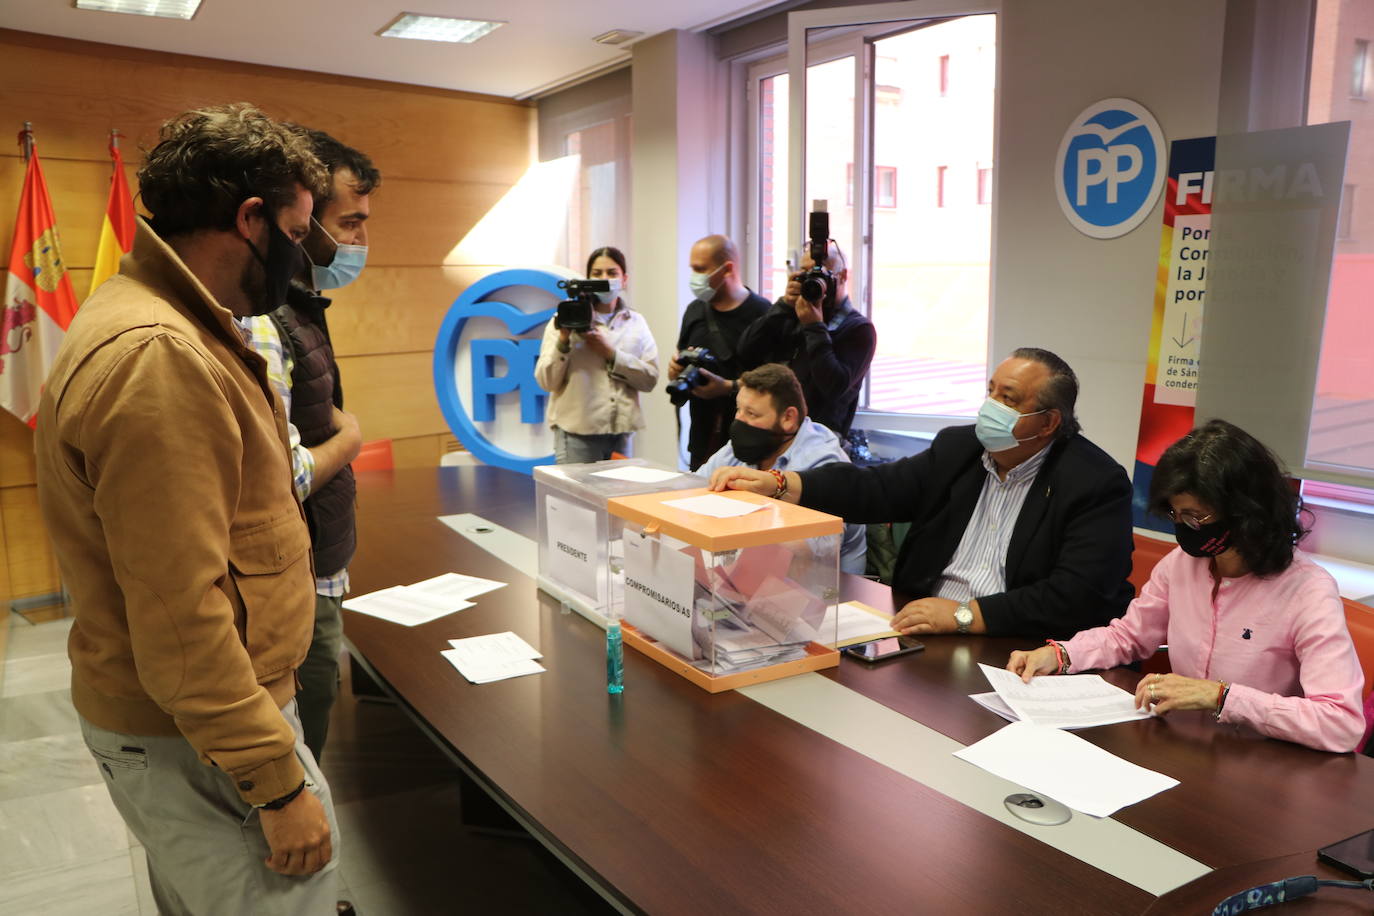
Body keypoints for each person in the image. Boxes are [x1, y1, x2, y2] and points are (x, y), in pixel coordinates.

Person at [34, 104, 339, 913]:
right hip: (202, 739)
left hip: (189, 728)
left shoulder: (167, 322)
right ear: (249, 219)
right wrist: (276, 787)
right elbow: (181, 614)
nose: (304, 256)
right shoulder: (160, 357)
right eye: (300, 231)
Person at [709, 347, 1134, 640]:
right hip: (924, 627)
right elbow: (876, 488)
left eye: (1009, 399)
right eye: (990, 391)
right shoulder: (959, 448)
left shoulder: (1095, 483)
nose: (990, 406)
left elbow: (1076, 596)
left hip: (1019, 645)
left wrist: (968, 616)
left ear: (1048, 423)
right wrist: (784, 484)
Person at [1008, 420, 1366, 753]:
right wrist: (1061, 655)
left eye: (1196, 517)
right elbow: (1129, 637)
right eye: (1175, 516)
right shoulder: (1181, 565)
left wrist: (1222, 697)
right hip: (1183, 748)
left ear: (1245, 509)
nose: (1184, 530)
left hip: (1260, 763)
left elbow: (1341, 723)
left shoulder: (1307, 591)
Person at [244, 127, 379, 763]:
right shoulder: (267, 319)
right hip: (292, 577)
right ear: (301, 220)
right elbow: (276, 474)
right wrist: (350, 438)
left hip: (318, 564)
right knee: (301, 743)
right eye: (347, 224)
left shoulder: (301, 304)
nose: (358, 243)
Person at [701, 363, 866, 574]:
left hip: (827, 588)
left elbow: (809, 551)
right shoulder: (742, 447)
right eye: (738, 409)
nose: (738, 420)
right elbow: (691, 490)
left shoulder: (824, 462)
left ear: (788, 418)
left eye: (751, 413)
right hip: (755, 577)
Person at [736, 239, 876, 439]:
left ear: (843, 276)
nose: (813, 280)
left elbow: (834, 387)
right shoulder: (789, 315)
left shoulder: (858, 329)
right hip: (772, 433)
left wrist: (814, 327)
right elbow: (745, 353)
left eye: (821, 274)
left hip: (818, 440)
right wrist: (783, 306)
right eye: (806, 273)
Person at [534, 246, 659, 463]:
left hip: (621, 434)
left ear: (624, 279)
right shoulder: (564, 319)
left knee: (618, 496)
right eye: (597, 274)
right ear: (587, 279)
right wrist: (564, 341)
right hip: (576, 433)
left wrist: (611, 354)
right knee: (576, 497)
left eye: (612, 273)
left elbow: (649, 379)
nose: (604, 279)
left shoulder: (636, 323)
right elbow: (546, 381)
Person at [671, 234, 770, 470]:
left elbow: (774, 383)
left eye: (701, 269)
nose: (694, 278)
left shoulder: (764, 315)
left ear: (727, 269)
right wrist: (676, 370)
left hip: (749, 448)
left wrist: (726, 387)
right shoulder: (695, 310)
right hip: (702, 443)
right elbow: (681, 354)